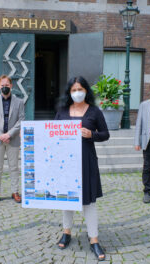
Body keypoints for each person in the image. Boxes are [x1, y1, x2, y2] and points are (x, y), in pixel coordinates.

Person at [54, 76, 109, 261]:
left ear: (86, 90)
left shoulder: (94, 111)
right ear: (69, 92)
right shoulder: (62, 111)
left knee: (89, 202)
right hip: (65, 163)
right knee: (67, 200)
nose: (77, 93)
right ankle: (66, 233)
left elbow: (105, 134)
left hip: (86, 161)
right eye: (74, 90)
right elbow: (51, 134)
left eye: (80, 89)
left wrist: (91, 134)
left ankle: (94, 239)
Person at [0, 75, 25, 205]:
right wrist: (0, 135)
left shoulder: (19, 102)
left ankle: (15, 191)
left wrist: (9, 134)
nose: (5, 87)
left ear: (11, 86)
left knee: (14, 167)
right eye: (2, 85)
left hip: (13, 140)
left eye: (7, 85)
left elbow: (21, 120)